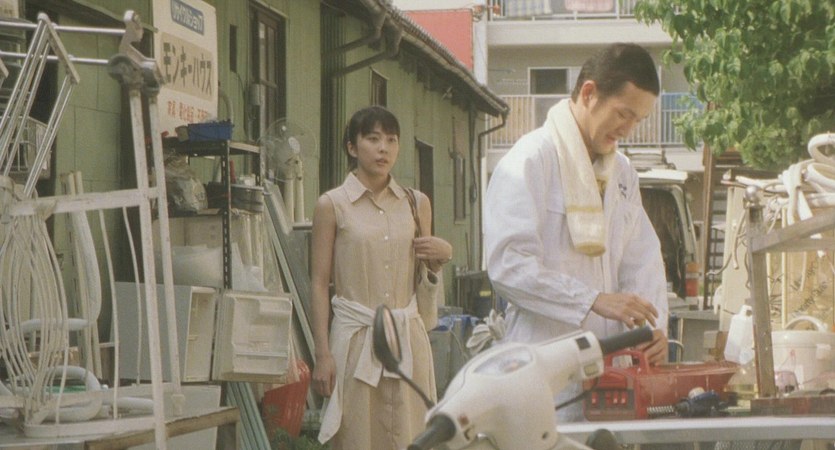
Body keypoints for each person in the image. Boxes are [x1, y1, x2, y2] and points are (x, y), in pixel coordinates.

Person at [484, 43, 669, 422]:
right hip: (543, 365)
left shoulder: (622, 173)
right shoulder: (529, 160)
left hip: (611, 374)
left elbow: (642, 261)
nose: (628, 129)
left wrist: (652, 330)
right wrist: (590, 300)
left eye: (638, 120)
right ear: (589, 93)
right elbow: (508, 265)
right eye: (623, 114)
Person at [311, 105, 453, 448]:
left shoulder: (416, 203)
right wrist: (322, 354)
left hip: (407, 339)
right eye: (373, 139)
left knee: (410, 433)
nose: (383, 148)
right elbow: (318, 282)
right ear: (352, 147)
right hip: (356, 339)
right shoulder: (332, 205)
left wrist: (442, 255)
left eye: (391, 140)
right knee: (357, 434)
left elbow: (425, 272)